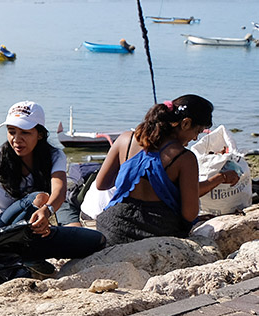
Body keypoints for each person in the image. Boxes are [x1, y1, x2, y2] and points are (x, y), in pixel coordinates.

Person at [0, 100, 105, 261]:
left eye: (25, 132)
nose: (17, 139)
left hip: (31, 229)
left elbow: (59, 192)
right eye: (12, 132)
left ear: (39, 134)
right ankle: (21, 255)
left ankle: (24, 255)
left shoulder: (54, 156)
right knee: (39, 197)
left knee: (95, 239)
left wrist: (46, 213)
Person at [94, 94, 240, 245]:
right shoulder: (184, 158)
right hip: (157, 229)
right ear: (185, 123)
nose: (195, 139)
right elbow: (189, 214)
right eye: (197, 131)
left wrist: (133, 174)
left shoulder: (126, 138)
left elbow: (102, 184)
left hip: (114, 226)